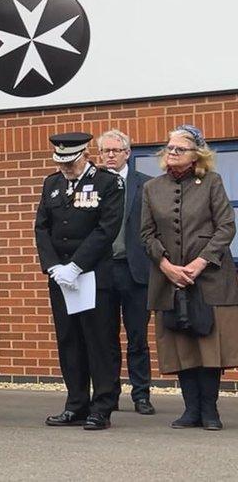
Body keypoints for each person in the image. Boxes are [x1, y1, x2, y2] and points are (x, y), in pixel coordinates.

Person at [140, 124, 238, 431]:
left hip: (210, 279)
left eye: (179, 148)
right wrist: (166, 266)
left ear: (196, 155)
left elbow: (226, 227)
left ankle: (210, 410)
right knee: (181, 344)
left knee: (208, 344)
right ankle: (190, 409)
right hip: (168, 279)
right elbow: (146, 234)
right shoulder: (151, 188)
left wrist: (199, 263)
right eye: (168, 148)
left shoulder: (211, 182)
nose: (171, 153)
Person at [35, 132, 124, 431]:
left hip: (93, 276)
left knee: (99, 341)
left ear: (85, 155)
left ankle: (102, 407)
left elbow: (106, 229)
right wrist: (53, 266)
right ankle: (76, 405)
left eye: (70, 163)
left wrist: (76, 265)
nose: (65, 168)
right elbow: (42, 228)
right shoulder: (52, 183)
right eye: (61, 163)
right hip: (61, 277)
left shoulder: (108, 183)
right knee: (69, 341)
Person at [96, 130, 155, 415]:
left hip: (136, 271)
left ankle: (141, 394)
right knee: (105, 338)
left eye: (115, 151)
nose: (110, 155)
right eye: (105, 151)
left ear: (127, 153)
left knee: (137, 338)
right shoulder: (91, 186)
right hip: (102, 271)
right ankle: (109, 393)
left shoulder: (147, 185)